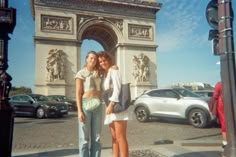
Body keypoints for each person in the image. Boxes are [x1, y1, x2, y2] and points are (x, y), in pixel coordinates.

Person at [98, 51, 132, 157]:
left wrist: (111, 105)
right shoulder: (105, 74)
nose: (102, 63)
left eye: (104, 60)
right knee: (114, 137)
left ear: (109, 60)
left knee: (120, 137)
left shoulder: (114, 71)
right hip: (110, 108)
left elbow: (117, 89)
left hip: (116, 107)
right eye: (100, 61)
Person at [75, 51, 102, 157]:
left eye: (95, 59)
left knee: (97, 137)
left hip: (98, 104)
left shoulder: (99, 73)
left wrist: (114, 66)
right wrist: (79, 111)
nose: (93, 60)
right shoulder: (80, 73)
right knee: (84, 138)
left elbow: (108, 66)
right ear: (86, 59)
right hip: (85, 104)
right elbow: (78, 93)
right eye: (91, 58)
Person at [212, 82, 227, 149]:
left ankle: (225, 142)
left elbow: (215, 96)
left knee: (224, 123)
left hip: (222, 104)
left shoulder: (219, 84)